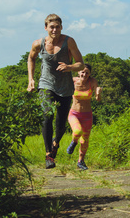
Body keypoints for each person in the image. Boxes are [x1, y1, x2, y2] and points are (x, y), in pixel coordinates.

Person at [27, 14, 84, 169]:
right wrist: (31, 79)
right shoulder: (39, 44)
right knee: (47, 115)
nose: (54, 29)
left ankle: (56, 143)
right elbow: (31, 58)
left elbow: (81, 64)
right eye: (51, 27)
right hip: (46, 84)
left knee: (60, 123)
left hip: (65, 87)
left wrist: (69, 67)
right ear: (46, 28)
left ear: (61, 27)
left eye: (57, 26)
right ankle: (48, 155)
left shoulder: (69, 42)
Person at [66, 64, 102, 170]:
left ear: (90, 74)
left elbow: (97, 99)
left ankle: (80, 161)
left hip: (87, 115)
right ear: (78, 72)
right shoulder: (72, 81)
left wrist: (99, 94)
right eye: (82, 71)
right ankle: (74, 142)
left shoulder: (93, 82)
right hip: (74, 114)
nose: (84, 74)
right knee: (77, 131)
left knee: (85, 140)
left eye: (87, 72)